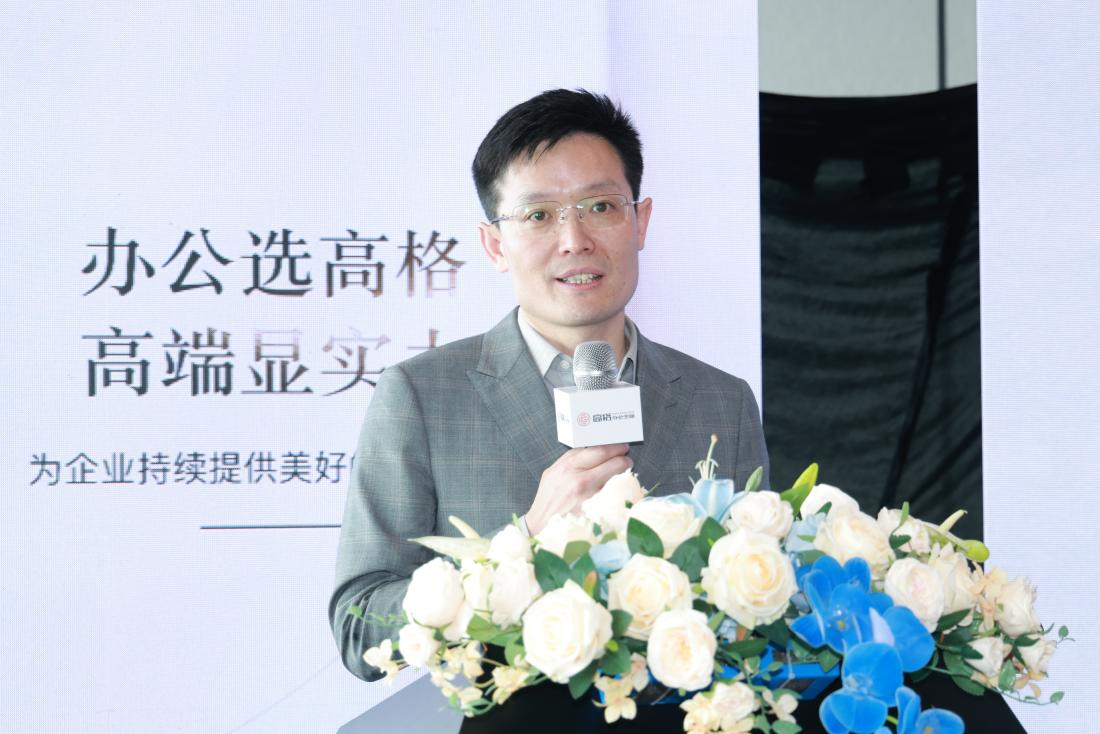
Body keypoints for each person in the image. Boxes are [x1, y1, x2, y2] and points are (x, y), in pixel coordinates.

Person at [331, 89, 769, 681]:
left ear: (640, 222)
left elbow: (761, 613)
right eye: (539, 215)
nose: (574, 239)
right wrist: (521, 545)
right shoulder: (422, 396)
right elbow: (360, 624)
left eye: (600, 206)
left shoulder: (722, 401)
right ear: (495, 244)